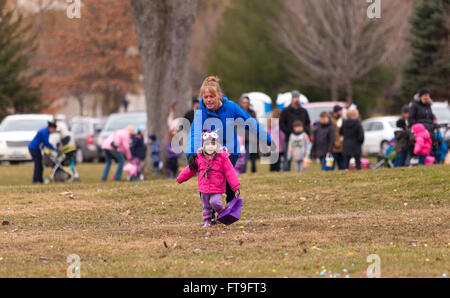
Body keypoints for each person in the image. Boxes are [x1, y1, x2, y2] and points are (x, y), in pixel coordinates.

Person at [187, 76, 272, 205]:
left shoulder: (231, 107)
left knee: (227, 181)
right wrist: (192, 154)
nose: (209, 100)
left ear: (219, 95)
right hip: (208, 152)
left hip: (230, 151)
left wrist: (266, 138)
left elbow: (249, 121)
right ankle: (209, 215)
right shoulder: (201, 112)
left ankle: (230, 207)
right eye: (206, 97)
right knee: (206, 181)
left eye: (212, 96)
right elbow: (194, 133)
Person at [177, 130, 240, 228]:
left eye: (213, 144)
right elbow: (190, 169)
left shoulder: (222, 158)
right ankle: (207, 221)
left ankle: (221, 213)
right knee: (206, 205)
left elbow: (230, 172)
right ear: (203, 146)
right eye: (208, 144)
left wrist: (235, 185)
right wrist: (181, 178)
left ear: (217, 146)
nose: (210, 147)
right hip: (204, 188)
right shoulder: (199, 158)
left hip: (217, 187)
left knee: (215, 202)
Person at [280, 90, 311, 171]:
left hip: (302, 139)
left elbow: (308, 123)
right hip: (289, 138)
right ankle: (286, 172)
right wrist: (288, 132)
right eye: (295, 97)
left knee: (302, 156)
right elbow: (282, 123)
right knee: (288, 157)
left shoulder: (303, 111)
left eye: (298, 97)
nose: (297, 99)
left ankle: (301, 171)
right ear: (292, 99)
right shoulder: (286, 111)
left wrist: (306, 132)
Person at [240, 94, 258, 174]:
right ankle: (243, 172)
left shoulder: (252, 113)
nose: (245, 104)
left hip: (251, 138)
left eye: (247, 102)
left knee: (253, 156)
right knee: (244, 157)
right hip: (241, 138)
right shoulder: (238, 111)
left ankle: (253, 171)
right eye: (244, 102)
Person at [329, 105, 345, 170]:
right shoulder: (331, 120)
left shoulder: (341, 120)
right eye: (340, 111)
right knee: (330, 166)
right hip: (333, 147)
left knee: (342, 166)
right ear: (336, 112)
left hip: (341, 147)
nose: (341, 112)